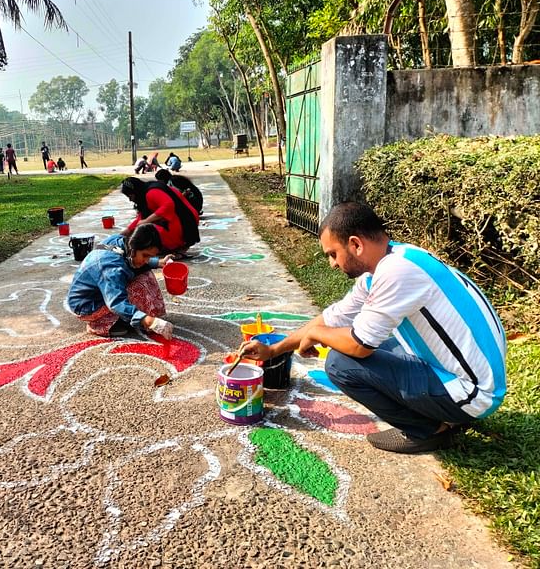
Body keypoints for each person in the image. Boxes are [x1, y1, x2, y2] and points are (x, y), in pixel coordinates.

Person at [240, 202, 507, 454]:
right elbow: (332, 318)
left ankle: (429, 431)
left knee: (341, 363)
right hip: (466, 373)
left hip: (472, 393)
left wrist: (316, 335)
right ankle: (439, 413)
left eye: (333, 254)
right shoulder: (396, 259)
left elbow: (359, 346)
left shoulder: (396, 273)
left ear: (355, 244)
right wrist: (274, 349)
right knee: (362, 343)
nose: (332, 263)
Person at [67, 224, 175, 339]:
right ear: (133, 248)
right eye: (145, 255)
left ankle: (130, 317)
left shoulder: (122, 243)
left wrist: (158, 262)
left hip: (98, 292)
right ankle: (100, 324)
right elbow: (116, 302)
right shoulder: (111, 267)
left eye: (150, 257)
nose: (146, 260)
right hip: (86, 306)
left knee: (145, 273)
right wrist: (148, 321)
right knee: (138, 285)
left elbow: (135, 260)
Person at [120, 177, 200, 255]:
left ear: (135, 192)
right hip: (186, 221)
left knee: (145, 232)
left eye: (130, 196)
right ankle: (176, 245)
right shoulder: (147, 191)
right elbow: (140, 218)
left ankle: (175, 244)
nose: (130, 200)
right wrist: (126, 231)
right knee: (143, 226)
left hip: (185, 225)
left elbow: (168, 205)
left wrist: (146, 221)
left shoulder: (151, 192)